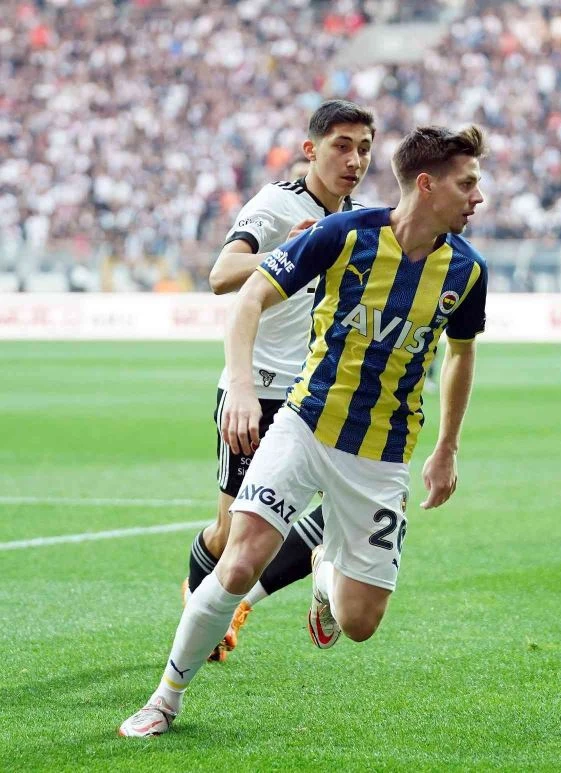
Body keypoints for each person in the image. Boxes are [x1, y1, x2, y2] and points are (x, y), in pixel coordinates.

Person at [119, 124, 489, 737]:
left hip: (381, 456)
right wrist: (241, 387)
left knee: (360, 622)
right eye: (467, 184)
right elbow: (248, 297)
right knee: (240, 562)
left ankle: (326, 569)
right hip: (304, 425)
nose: (478, 197)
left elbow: (461, 354)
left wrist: (447, 448)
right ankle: (164, 699)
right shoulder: (345, 234)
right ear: (427, 185)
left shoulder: (468, 271)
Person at [185, 99, 375, 662]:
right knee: (229, 535)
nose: (355, 160)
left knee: (348, 505)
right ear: (311, 150)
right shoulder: (277, 202)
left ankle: (282, 583)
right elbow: (222, 274)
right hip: (259, 391)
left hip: (318, 393)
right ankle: (199, 603)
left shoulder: (357, 218)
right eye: (342, 146)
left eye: (364, 149)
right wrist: (291, 251)